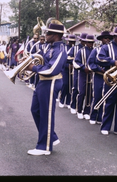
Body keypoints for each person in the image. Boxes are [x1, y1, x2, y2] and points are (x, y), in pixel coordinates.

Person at [25, 23, 67, 156]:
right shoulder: (49, 47)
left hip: (52, 82)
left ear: (55, 36)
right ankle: (51, 137)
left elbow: (51, 69)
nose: (45, 36)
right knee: (35, 110)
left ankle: (44, 146)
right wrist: (28, 60)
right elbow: (39, 58)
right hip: (43, 82)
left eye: (48, 34)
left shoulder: (60, 50)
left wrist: (33, 68)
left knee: (46, 114)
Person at [88, 31, 113, 124]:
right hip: (99, 75)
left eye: (109, 38)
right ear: (101, 39)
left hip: (109, 77)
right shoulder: (96, 50)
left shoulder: (111, 50)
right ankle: (93, 116)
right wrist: (99, 69)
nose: (107, 40)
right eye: (105, 38)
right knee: (97, 96)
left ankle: (101, 118)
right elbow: (90, 63)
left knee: (106, 97)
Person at [73, 34, 94, 120]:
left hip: (92, 74)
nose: (90, 44)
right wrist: (83, 67)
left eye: (92, 42)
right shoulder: (81, 51)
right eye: (89, 42)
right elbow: (75, 62)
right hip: (82, 74)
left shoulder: (95, 51)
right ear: (85, 42)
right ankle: (79, 110)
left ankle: (87, 111)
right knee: (81, 92)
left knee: (90, 93)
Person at [67, 33, 87, 114]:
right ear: (80, 40)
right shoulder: (75, 48)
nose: (85, 42)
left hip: (85, 72)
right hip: (76, 70)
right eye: (83, 40)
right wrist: (74, 61)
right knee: (75, 88)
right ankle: (73, 105)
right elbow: (68, 57)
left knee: (84, 91)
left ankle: (80, 107)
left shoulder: (89, 49)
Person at [59, 35, 75, 109]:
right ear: (68, 41)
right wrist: (67, 65)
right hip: (65, 69)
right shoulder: (64, 48)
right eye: (71, 41)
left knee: (71, 85)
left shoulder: (75, 48)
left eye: (74, 41)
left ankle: (68, 101)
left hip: (73, 69)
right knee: (65, 84)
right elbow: (61, 59)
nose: (72, 42)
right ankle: (62, 100)